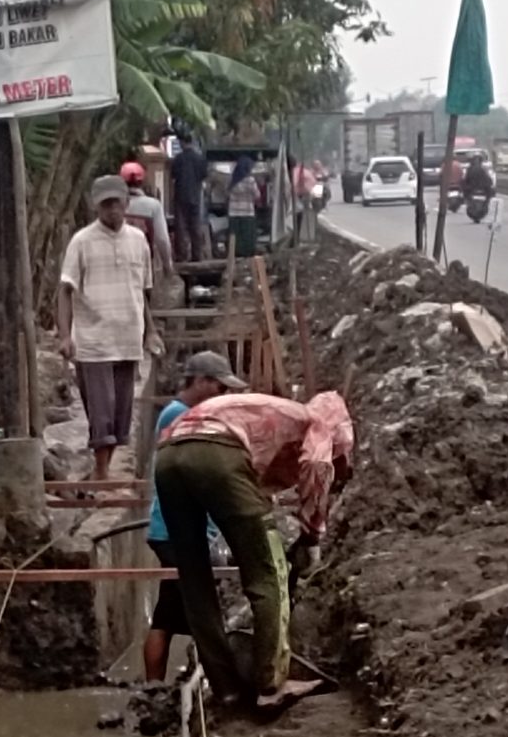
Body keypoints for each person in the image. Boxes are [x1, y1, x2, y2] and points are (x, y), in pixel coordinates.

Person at [153, 388, 354, 710]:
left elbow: (253, 483)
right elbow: (317, 467)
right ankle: (271, 684)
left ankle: (225, 688)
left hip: (168, 454)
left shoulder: (276, 416)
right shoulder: (319, 422)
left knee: (194, 580)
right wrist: (312, 535)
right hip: (215, 451)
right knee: (269, 572)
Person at [142, 350, 241, 682]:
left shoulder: (183, 414)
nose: (223, 396)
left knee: (169, 614)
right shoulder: (179, 416)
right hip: (176, 532)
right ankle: (197, 682)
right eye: (219, 388)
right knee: (190, 614)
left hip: (179, 530)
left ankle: (157, 686)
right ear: (200, 382)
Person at [58, 175, 154, 479]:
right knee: (101, 412)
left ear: (127, 203)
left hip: (128, 337)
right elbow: (65, 290)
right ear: (96, 207)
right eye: (106, 205)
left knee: (121, 414)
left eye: (117, 203)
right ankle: (101, 472)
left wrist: (151, 330)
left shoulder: (139, 240)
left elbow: (143, 291)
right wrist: (64, 335)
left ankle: (103, 469)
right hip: (93, 340)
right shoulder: (82, 241)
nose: (113, 210)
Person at [119, 160, 174, 278]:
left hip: (119, 263)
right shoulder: (153, 205)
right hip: (145, 263)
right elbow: (162, 239)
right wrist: (167, 264)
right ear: (142, 181)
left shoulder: (115, 206)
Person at [167, 128, 210, 265]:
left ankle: (182, 255)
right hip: (195, 196)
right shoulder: (200, 159)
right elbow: (204, 176)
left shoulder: (178, 159)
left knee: (181, 226)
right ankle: (197, 255)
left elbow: (173, 177)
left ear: (182, 143)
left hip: (181, 195)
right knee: (195, 225)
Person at [226, 158, 262, 257]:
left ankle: (235, 254)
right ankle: (247, 255)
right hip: (247, 212)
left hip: (233, 212)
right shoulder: (250, 180)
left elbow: (227, 193)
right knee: (247, 237)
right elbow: (257, 195)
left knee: (235, 236)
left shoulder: (231, 180)